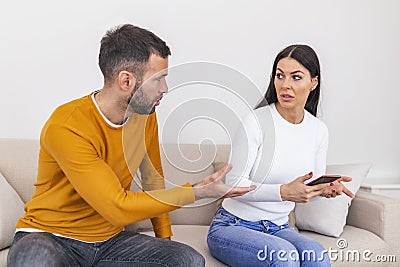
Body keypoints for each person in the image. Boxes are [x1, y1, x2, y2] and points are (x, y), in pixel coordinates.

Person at [7, 24, 255, 267]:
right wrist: (197, 192)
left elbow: (152, 181)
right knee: (34, 261)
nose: (165, 89)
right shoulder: (67, 124)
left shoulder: (145, 116)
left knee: (187, 260)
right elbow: (117, 208)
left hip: (109, 243)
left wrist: (164, 242)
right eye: (158, 79)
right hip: (50, 237)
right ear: (125, 81)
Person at [207, 44, 355, 267]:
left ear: (313, 83)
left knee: (317, 255)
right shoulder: (256, 121)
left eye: (296, 77)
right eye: (280, 76)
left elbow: (305, 192)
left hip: (279, 227)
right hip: (232, 226)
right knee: (283, 256)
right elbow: (234, 184)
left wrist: (322, 190)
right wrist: (283, 192)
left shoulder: (318, 130)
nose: (285, 85)